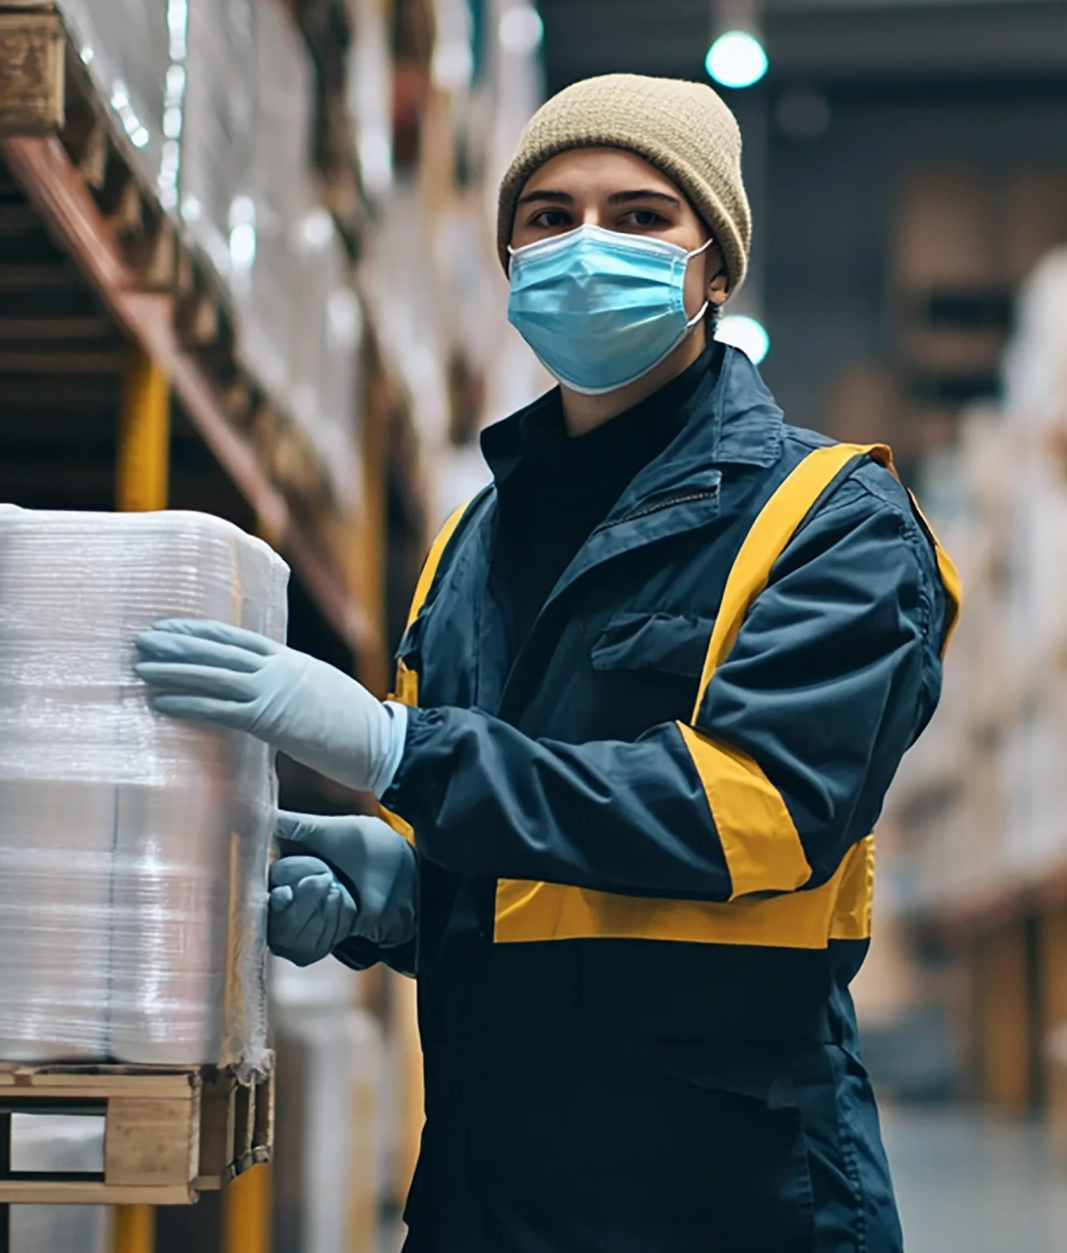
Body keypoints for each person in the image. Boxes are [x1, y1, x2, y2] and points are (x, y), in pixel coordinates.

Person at [134, 73, 959, 1252]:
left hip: (725, 1203)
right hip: (487, 1192)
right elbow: (521, 878)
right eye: (548, 215)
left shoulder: (834, 520)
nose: (585, 246)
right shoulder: (468, 548)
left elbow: (759, 813)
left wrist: (395, 748)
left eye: (639, 217)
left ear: (713, 267)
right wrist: (406, 894)